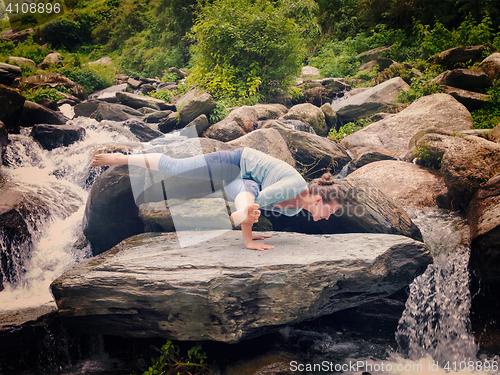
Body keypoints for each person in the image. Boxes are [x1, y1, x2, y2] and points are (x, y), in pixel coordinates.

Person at [91, 147, 343, 251]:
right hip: (235, 162)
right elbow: (255, 205)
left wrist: (249, 239)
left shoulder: (292, 211)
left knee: (249, 201)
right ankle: (119, 158)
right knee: (175, 167)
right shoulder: (293, 186)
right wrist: (243, 222)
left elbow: (252, 202)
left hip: (247, 182)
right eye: (330, 212)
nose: (329, 218)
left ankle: (235, 218)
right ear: (320, 200)